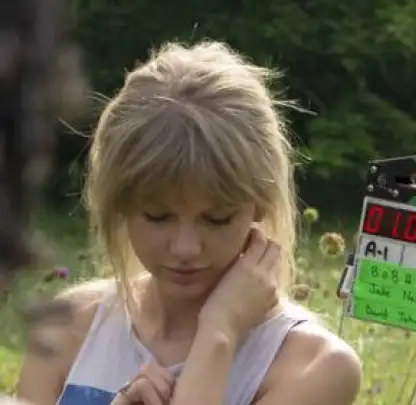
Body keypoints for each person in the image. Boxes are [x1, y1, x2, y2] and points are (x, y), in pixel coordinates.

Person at [14, 40, 362, 405]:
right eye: (158, 216)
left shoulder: (314, 366)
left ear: (260, 203)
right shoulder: (67, 328)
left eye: (217, 219)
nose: (186, 248)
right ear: (119, 203)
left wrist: (219, 334)